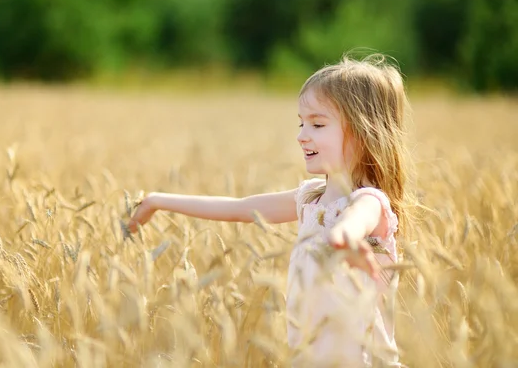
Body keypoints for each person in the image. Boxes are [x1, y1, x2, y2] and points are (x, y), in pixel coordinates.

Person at [128, 54, 413, 367]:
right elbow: (240, 209)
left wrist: (345, 241)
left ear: (363, 131)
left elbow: (350, 227)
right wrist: (158, 200)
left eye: (317, 124)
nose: (302, 135)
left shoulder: (369, 202)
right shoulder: (309, 201)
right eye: (301, 123)